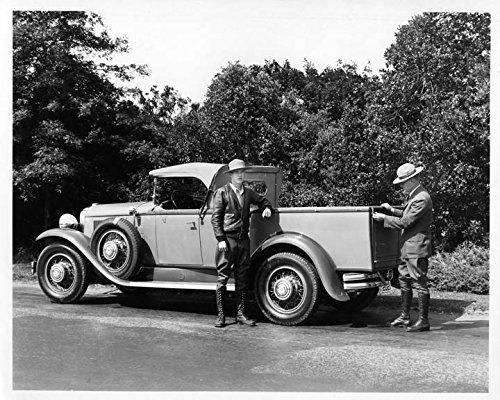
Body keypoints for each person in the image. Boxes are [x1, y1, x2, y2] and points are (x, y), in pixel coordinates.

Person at [211, 159, 273, 328]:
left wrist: (266, 207)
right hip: (227, 241)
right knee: (222, 278)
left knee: (242, 279)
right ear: (231, 175)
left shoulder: (248, 192)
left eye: (242, 172)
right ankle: (221, 316)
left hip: (243, 242)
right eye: (236, 172)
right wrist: (221, 239)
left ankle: (240, 315)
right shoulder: (222, 193)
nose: (240, 175)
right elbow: (215, 219)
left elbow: (263, 200)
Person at [373, 163, 433, 332]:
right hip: (409, 247)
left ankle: (423, 321)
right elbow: (407, 215)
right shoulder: (416, 195)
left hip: (416, 248)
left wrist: (384, 218)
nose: (401, 186)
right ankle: (405, 317)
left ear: (413, 180)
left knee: (419, 283)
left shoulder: (421, 197)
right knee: (404, 280)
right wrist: (391, 209)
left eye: (403, 183)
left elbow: (405, 222)